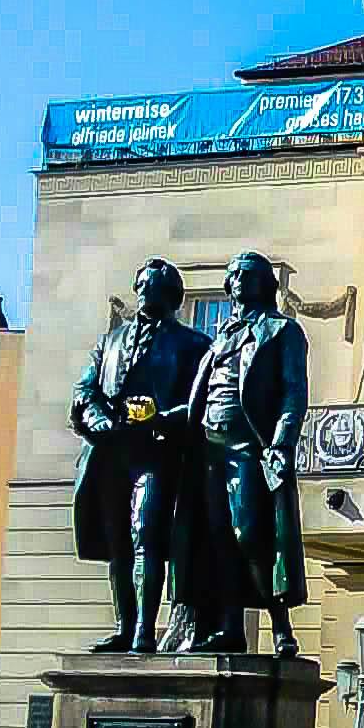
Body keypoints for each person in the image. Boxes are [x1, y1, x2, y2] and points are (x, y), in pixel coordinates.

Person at [159, 252, 310, 658]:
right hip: (207, 447)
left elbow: (294, 392)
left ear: (264, 284)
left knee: (250, 534)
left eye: (246, 274)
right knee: (216, 538)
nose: (237, 280)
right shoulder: (220, 337)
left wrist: (281, 442)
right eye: (232, 275)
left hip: (248, 445)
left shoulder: (282, 331)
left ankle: (280, 625)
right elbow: (202, 395)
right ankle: (229, 627)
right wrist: (160, 419)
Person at [70, 259, 212, 654]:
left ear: (173, 297)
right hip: (111, 453)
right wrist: (98, 419)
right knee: (118, 545)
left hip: (158, 454)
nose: (145, 292)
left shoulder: (195, 345)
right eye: (142, 285)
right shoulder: (110, 340)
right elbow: (86, 389)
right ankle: (124, 625)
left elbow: (201, 405)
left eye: (154, 286)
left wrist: (162, 418)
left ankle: (144, 631)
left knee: (146, 536)